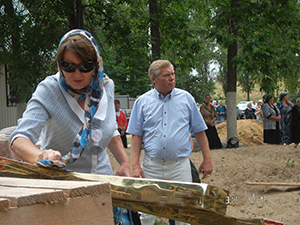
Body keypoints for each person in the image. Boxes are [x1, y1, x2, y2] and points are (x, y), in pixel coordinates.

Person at [8, 29, 131, 176]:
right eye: (69, 67)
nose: (77, 74)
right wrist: (39, 156)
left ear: (96, 65)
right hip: (62, 182)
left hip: (103, 178)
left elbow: (109, 129)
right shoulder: (49, 89)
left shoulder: (106, 86)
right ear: (60, 65)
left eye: (85, 66)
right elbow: (19, 139)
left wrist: (124, 162)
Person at [127, 60, 213, 225]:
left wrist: (207, 159)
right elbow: (136, 135)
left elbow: (200, 131)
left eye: (173, 74)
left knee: (183, 212)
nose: (172, 78)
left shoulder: (186, 98)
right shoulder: (142, 102)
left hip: (179, 166)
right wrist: (136, 165)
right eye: (167, 75)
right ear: (154, 79)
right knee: (146, 212)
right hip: (151, 166)